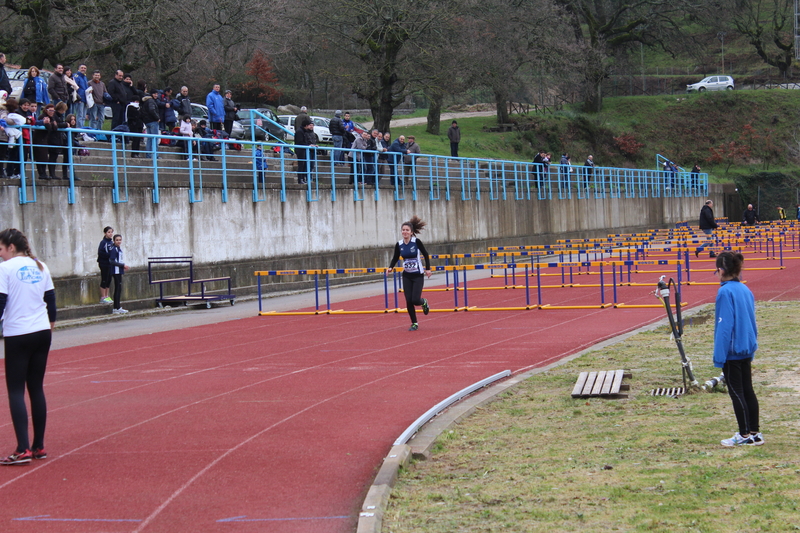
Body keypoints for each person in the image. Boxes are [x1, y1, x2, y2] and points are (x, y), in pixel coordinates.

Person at [0, 228, 57, 465]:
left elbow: (1, 302)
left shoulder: (5, 269)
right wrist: (49, 326)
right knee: (36, 388)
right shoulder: (40, 266)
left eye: (1, 249)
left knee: (15, 390)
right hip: (42, 331)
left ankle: (22, 448)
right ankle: (39, 446)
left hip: (18, 333)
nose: (0, 254)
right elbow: (51, 300)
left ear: (11, 247)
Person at [712, 251, 762, 447]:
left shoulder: (725, 292)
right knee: (748, 390)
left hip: (732, 350)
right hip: (746, 347)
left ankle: (744, 434)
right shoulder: (744, 289)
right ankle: (755, 432)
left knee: (737, 392)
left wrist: (719, 355)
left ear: (721, 270)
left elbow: (724, 326)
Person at [386, 216, 432, 331]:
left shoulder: (416, 242)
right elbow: (395, 257)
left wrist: (428, 269)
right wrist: (390, 267)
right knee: (408, 300)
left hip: (417, 275)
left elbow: (426, 254)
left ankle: (423, 302)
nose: (405, 232)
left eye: (407, 230)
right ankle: (414, 323)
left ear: (411, 232)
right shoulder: (399, 244)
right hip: (407, 275)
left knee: (415, 299)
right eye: (403, 230)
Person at [108, 233, 130, 314]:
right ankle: (116, 308)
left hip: (119, 270)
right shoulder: (114, 249)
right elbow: (112, 261)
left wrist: (122, 267)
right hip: (115, 271)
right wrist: (122, 265)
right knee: (117, 289)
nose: (118, 241)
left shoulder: (119, 249)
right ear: (114, 241)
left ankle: (117, 307)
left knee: (119, 289)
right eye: (117, 240)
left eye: (120, 240)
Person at [140, 89, 161, 158]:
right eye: (155, 94)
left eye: (157, 94)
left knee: (149, 139)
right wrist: (157, 118)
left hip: (147, 122)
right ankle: (155, 155)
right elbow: (152, 110)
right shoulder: (151, 101)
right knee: (155, 139)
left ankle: (148, 155)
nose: (156, 95)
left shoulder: (145, 101)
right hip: (153, 122)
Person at [97, 226, 114, 304]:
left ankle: (107, 296)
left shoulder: (111, 242)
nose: (110, 234)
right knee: (104, 279)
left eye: (111, 232)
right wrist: (108, 255)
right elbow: (100, 253)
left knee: (109, 279)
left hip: (110, 264)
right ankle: (103, 297)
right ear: (105, 233)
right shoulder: (103, 242)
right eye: (108, 232)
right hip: (104, 263)